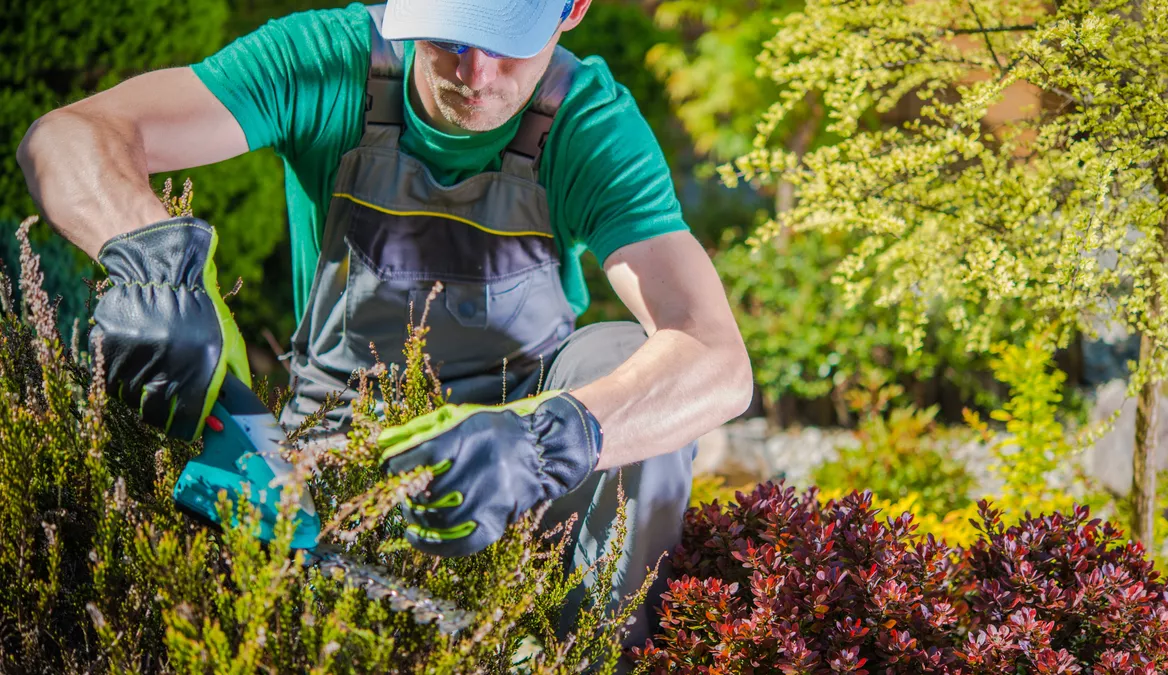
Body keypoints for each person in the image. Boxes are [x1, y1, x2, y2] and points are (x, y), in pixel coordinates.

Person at [16, 0, 753, 659]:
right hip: (333, 449)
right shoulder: (328, 61)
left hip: (515, 473)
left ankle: (597, 655)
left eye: (506, 41)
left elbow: (716, 359)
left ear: (573, 9)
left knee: (623, 353)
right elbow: (68, 135)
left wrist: (543, 442)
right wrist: (151, 262)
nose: (474, 73)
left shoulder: (589, 125)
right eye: (448, 36)